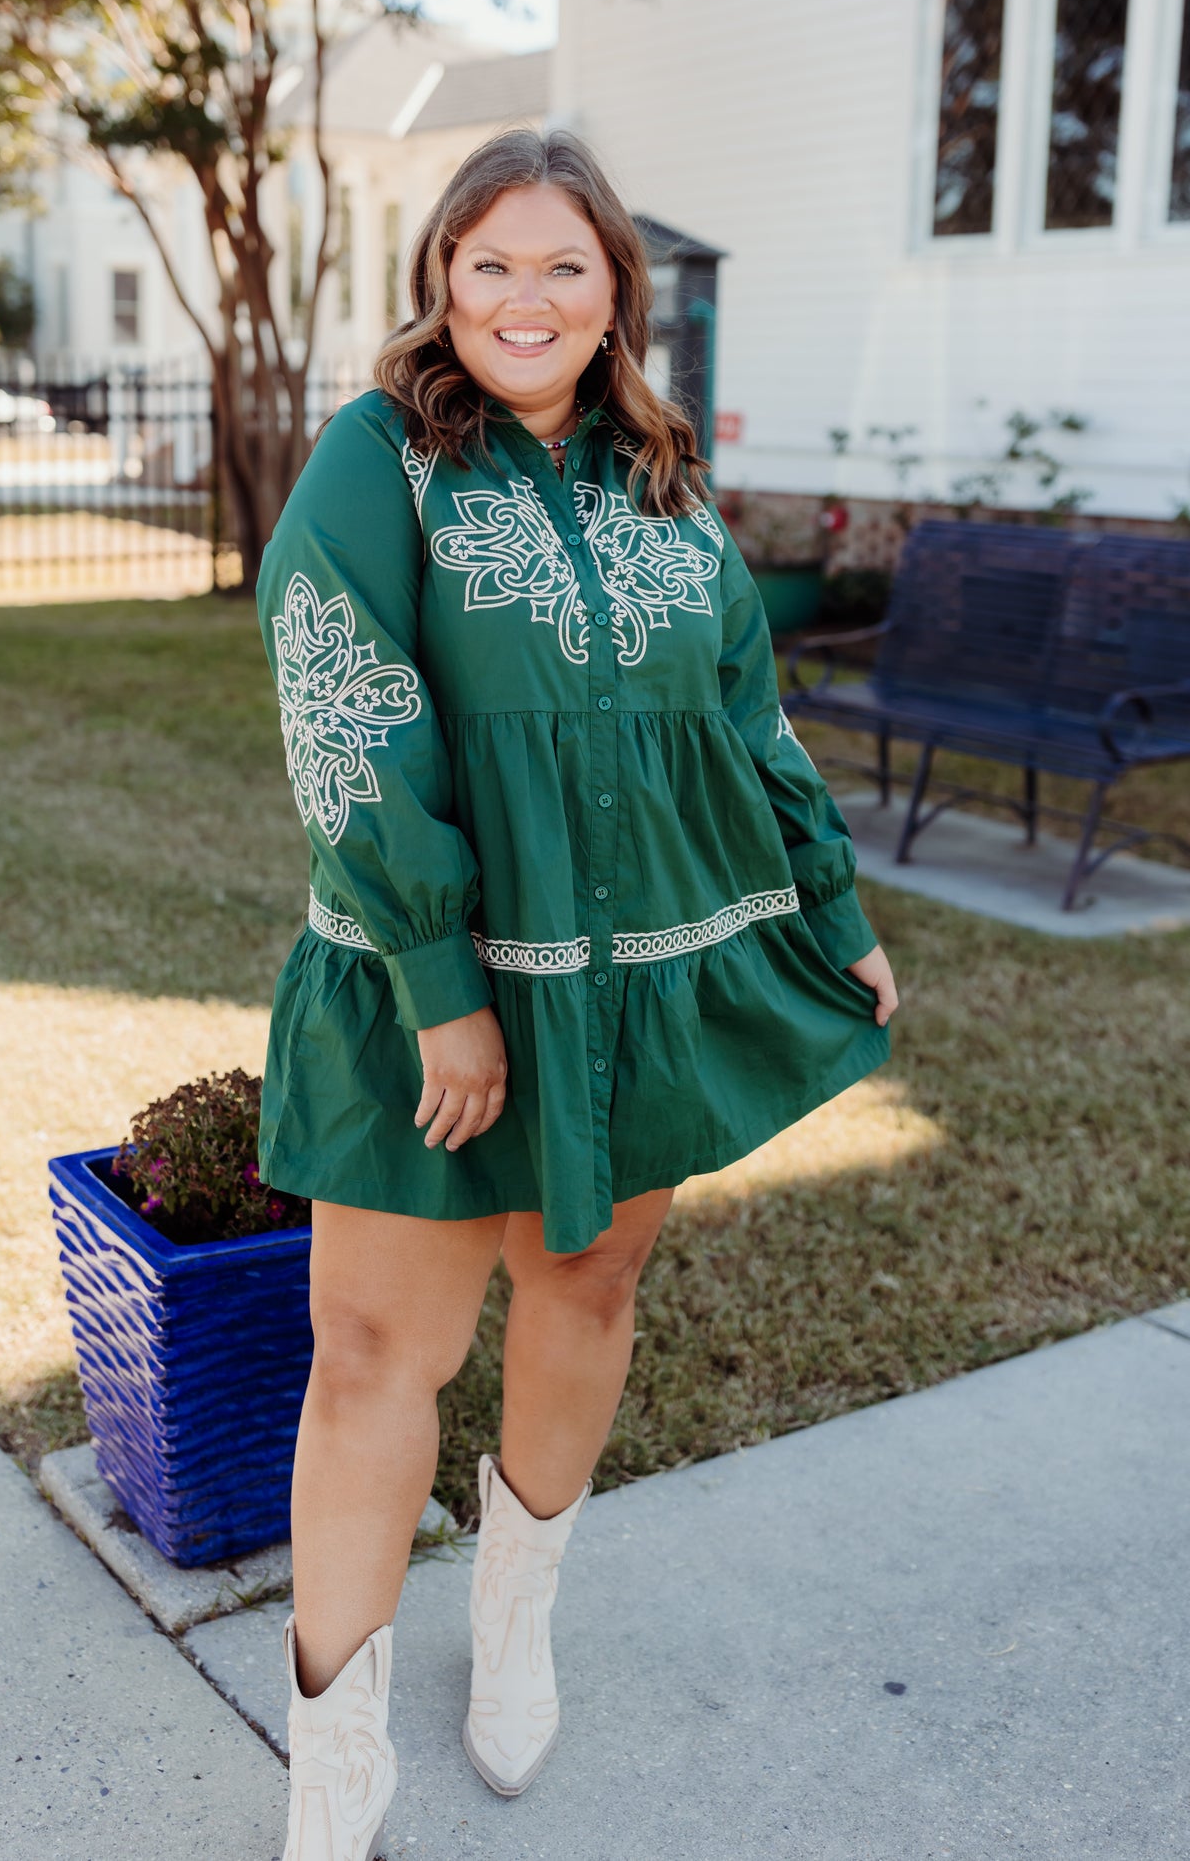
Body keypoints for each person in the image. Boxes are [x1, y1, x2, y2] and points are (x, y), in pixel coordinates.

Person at [255, 127, 898, 1859]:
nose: (525, 298)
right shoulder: (378, 462)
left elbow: (747, 711)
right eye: (489, 265)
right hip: (438, 990)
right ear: (440, 287)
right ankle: (336, 1742)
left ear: (615, 288)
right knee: (374, 1351)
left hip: (648, 978)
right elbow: (342, 705)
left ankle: (518, 1612)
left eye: (563, 265)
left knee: (587, 1286)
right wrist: (439, 982)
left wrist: (831, 904)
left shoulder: (666, 474)